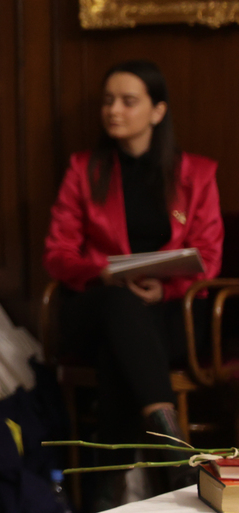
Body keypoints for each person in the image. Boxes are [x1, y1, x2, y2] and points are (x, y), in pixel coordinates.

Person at [43, 60, 222, 454]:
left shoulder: (197, 174)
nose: (113, 110)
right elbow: (57, 254)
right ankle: (171, 445)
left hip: (172, 309)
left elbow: (208, 255)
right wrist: (103, 273)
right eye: (108, 101)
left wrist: (164, 289)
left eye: (127, 101)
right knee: (120, 305)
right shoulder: (83, 169)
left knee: (120, 346)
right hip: (96, 304)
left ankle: (119, 475)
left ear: (157, 111)